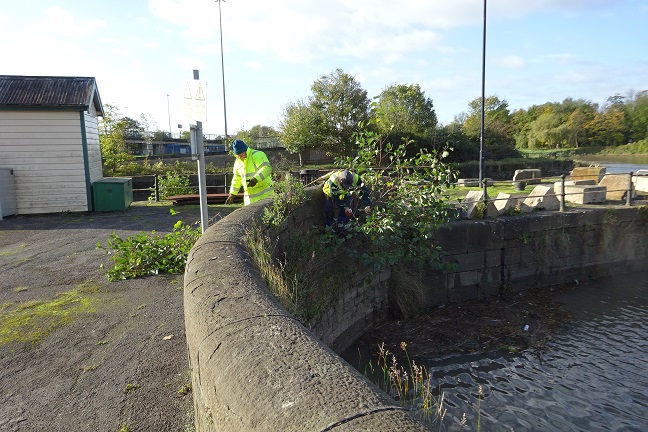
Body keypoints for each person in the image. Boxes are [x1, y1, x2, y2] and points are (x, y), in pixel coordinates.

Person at [225, 139, 274, 205]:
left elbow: (267, 168)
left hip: (265, 196)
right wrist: (232, 193)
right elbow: (237, 178)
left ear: (245, 150)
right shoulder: (237, 162)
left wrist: (256, 179)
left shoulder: (257, 155)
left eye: (241, 154)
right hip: (249, 200)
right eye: (237, 155)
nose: (239, 157)